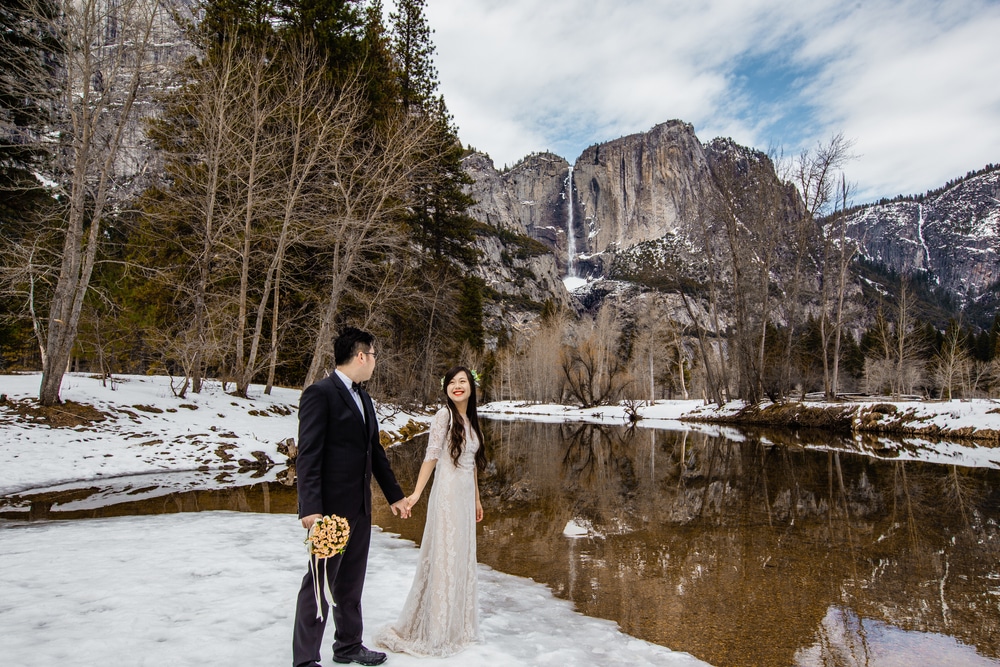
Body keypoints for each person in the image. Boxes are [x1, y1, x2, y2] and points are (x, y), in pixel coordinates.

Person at [292, 327, 411, 667]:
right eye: (373, 355)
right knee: (317, 585)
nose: (375, 362)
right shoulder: (320, 394)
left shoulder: (364, 397)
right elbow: (308, 455)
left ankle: (347, 647)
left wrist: (394, 496)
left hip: (360, 506)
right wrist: (310, 507)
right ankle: (305, 661)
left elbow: (375, 452)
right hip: (329, 512)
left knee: (351, 583)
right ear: (361, 355)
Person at [373, 366, 487, 657]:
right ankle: (437, 629)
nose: (457, 386)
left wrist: (477, 500)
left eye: (462, 381)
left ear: (472, 387)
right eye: (451, 382)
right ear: (445, 388)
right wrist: (416, 494)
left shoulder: (470, 419)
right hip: (447, 495)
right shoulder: (444, 416)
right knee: (445, 555)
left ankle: (457, 626)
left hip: (464, 497)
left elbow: (471, 464)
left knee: (461, 556)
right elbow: (431, 457)